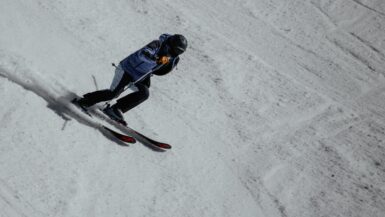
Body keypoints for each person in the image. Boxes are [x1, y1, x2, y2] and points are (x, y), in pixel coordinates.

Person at [74, 33, 188, 125]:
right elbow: (143, 53)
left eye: (179, 52)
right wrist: (157, 58)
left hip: (140, 75)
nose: (175, 54)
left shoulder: (173, 57)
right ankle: (84, 101)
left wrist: (166, 64)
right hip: (127, 68)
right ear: (170, 44)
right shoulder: (157, 44)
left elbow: (160, 71)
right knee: (112, 94)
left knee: (144, 93)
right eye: (175, 50)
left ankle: (115, 109)